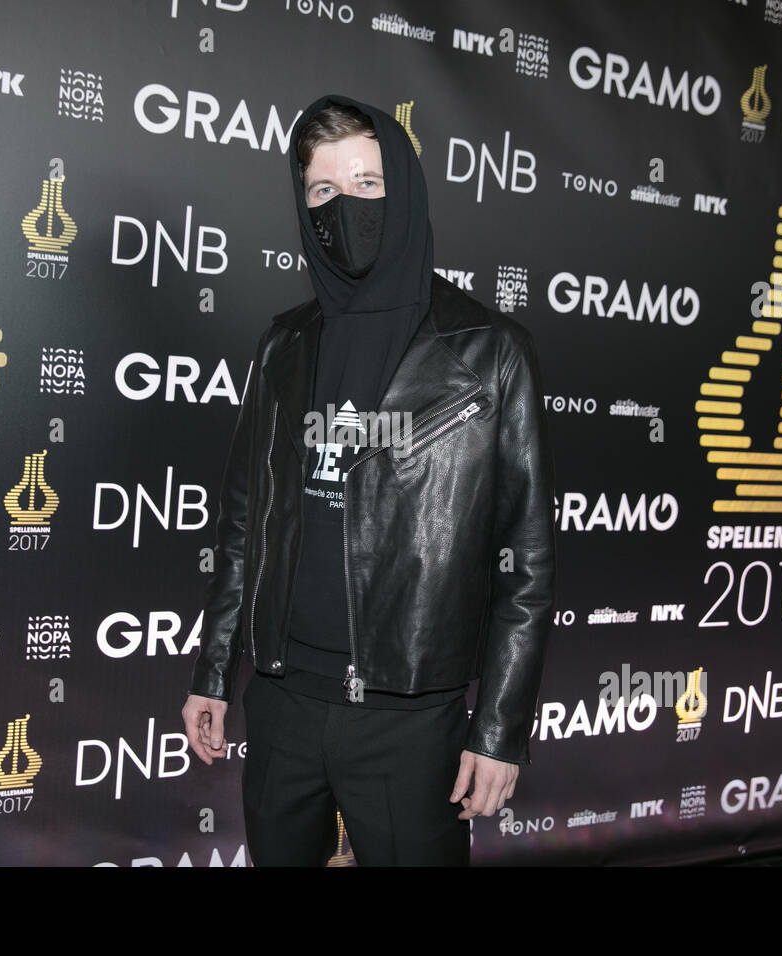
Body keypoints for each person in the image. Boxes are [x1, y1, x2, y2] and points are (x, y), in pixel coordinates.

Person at [181, 93, 555, 866]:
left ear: (406, 191)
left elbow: (526, 568)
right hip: (282, 703)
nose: (342, 208)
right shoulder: (284, 343)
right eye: (322, 192)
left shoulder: (489, 352)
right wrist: (213, 672)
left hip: (409, 718)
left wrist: (499, 730)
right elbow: (245, 523)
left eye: (366, 185)